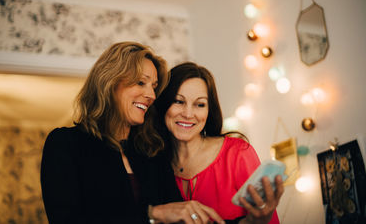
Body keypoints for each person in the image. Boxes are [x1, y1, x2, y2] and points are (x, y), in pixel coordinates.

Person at [40, 42, 225, 224]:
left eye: (153, 86)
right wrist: (152, 214)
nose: (151, 95)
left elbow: (180, 217)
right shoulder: (65, 143)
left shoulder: (153, 152)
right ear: (110, 82)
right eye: (141, 82)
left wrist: (246, 221)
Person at [154, 62, 284, 224]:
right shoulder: (152, 164)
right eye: (179, 101)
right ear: (164, 104)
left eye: (200, 104)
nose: (188, 114)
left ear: (209, 111)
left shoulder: (238, 154)